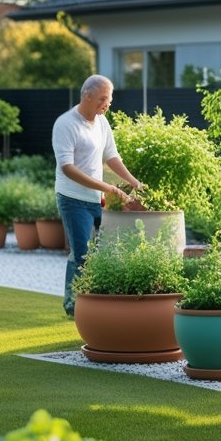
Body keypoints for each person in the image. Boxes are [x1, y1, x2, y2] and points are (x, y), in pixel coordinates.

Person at [53, 74, 144, 317]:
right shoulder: (66, 124)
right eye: (103, 98)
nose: (107, 104)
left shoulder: (102, 122)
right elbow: (67, 168)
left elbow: (111, 157)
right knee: (81, 253)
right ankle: (73, 305)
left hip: (96, 198)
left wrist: (133, 182)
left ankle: (98, 298)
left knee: (107, 250)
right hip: (73, 199)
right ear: (87, 95)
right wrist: (109, 188)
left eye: (110, 99)